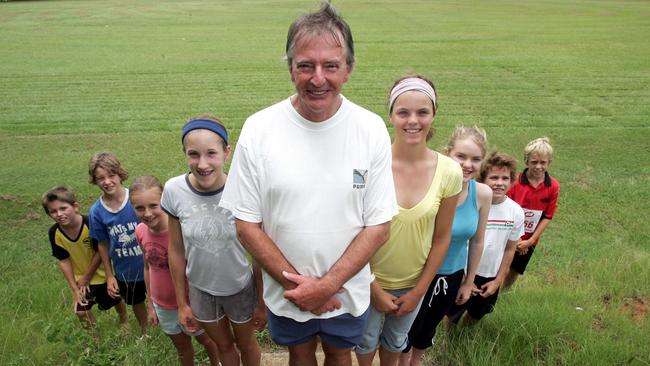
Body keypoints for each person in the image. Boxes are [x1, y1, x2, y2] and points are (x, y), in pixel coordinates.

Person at [219, 3, 398, 365]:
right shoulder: (259, 129)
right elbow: (245, 224)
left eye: (331, 65)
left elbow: (379, 226)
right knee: (298, 353)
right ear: (290, 69)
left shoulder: (370, 128)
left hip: (347, 291)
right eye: (305, 65)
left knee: (339, 352)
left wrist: (328, 285)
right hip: (286, 293)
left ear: (348, 69)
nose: (318, 79)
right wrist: (299, 288)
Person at [353, 76, 462, 366]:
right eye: (403, 112)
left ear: (434, 114)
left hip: (413, 285)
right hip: (367, 282)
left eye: (422, 112)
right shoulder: (364, 166)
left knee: (395, 343)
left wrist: (418, 292)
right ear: (390, 115)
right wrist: (372, 286)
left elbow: (442, 238)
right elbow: (351, 229)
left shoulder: (450, 171)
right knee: (364, 343)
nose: (413, 121)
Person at [163, 115, 265, 366]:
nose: (203, 163)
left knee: (246, 344)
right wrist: (182, 303)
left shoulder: (244, 190)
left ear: (226, 152)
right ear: (185, 154)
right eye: (193, 154)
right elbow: (176, 250)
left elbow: (259, 253)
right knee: (223, 346)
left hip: (240, 288)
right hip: (201, 290)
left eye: (211, 153)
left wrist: (262, 302)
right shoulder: (174, 191)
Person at [399, 126, 492, 366]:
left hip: (451, 276)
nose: (467, 165)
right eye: (461, 156)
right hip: (417, 273)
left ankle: (416, 362)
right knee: (405, 329)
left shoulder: (482, 194)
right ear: (447, 154)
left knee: (428, 328)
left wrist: (469, 281)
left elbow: (478, 240)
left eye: (475, 159)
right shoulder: (430, 187)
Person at [130, 176, 220, 366]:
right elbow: (148, 267)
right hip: (162, 305)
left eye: (153, 205)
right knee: (182, 347)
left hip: (191, 303)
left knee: (208, 341)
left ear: (164, 201)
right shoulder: (140, 231)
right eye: (139, 208)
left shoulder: (182, 231)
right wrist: (150, 303)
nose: (147, 213)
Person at [447, 152, 524, 325]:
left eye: (505, 178)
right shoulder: (474, 205)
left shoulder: (516, 212)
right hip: (463, 272)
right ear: (482, 180)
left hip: (491, 275)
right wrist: (465, 279)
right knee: (453, 313)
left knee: (476, 314)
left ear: (512, 181)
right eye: (494, 177)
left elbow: (510, 249)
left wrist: (498, 281)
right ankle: (449, 339)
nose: (499, 183)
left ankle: (465, 336)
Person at [42, 185, 127, 328]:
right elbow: (63, 260)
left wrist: (87, 277)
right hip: (81, 282)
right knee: (81, 312)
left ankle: (124, 321)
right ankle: (94, 339)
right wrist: (74, 289)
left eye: (63, 208)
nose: (59, 214)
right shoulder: (54, 233)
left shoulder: (90, 223)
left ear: (75, 206)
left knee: (115, 299)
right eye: (53, 211)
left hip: (101, 275)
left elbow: (101, 251)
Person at [88, 152, 148, 333]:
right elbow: (102, 244)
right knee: (136, 302)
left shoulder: (136, 199)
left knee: (162, 299)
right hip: (125, 270)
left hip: (150, 264)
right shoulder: (96, 211)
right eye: (100, 178)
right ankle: (146, 332)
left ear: (119, 174)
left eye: (111, 175)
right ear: (94, 181)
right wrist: (109, 275)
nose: (107, 182)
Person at [503, 137, 560, 288]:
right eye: (534, 162)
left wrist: (530, 241)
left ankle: (499, 295)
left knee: (514, 271)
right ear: (526, 161)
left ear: (549, 163)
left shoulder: (553, 186)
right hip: (508, 235)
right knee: (498, 268)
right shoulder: (514, 181)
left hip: (529, 241)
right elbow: (505, 211)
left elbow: (547, 217)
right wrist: (517, 238)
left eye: (543, 162)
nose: (538, 166)